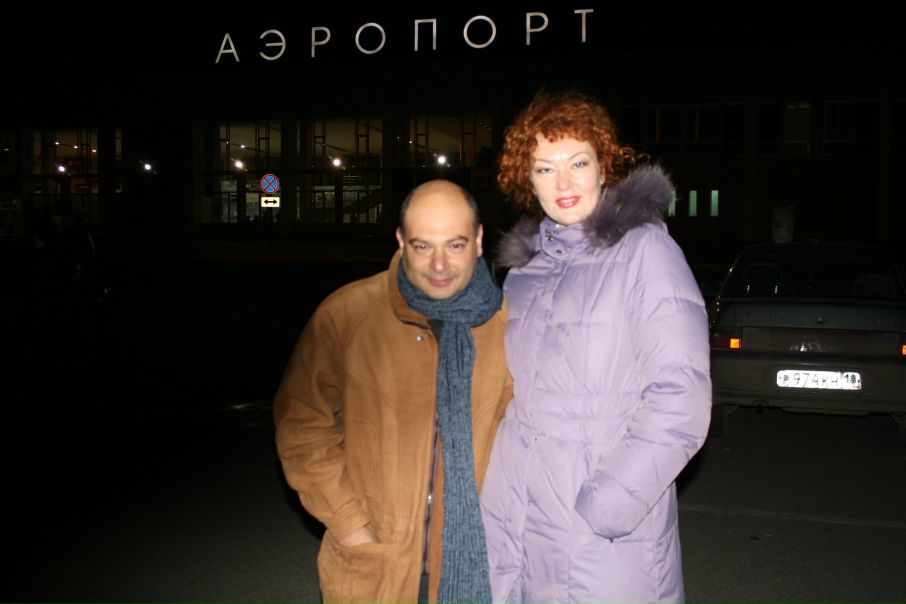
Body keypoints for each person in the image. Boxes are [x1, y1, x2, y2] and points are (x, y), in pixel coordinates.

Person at [480, 90, 711, 603]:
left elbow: (681, 399)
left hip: (599, 531)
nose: (562, 183)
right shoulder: (523, 273)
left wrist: (609, 505)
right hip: (516, 511)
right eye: (544, 169)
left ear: (604, 166)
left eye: (577, 163)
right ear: (527, 181)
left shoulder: (645, 251)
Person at [274, 180, 511, 604]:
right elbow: (302, 426)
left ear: (478, 240)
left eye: (455, 245)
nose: (439, 264)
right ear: (401, 240)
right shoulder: (348, 314)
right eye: (422, 246)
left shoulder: (510, 326)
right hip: (377, 563)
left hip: (475, 562)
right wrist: (351, 525)